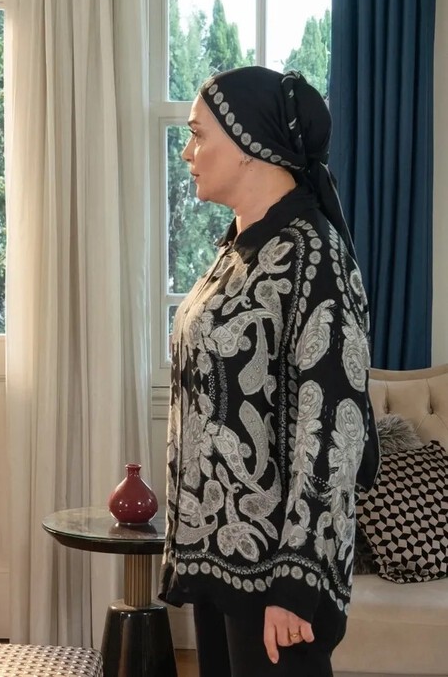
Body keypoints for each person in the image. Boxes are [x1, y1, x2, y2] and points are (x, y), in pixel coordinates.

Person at [158, 66, 380, 677]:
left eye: (198, 135)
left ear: (249, 144)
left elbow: (333, 429)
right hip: (220, 559)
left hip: (276, 580)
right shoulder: (239, 249)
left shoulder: (315, 256)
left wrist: (297, 582)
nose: (188, 153)